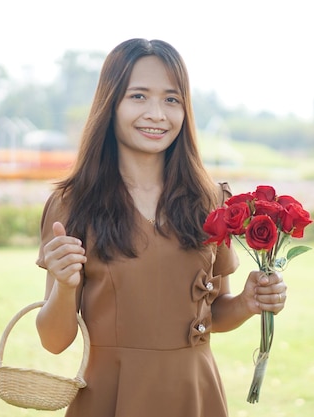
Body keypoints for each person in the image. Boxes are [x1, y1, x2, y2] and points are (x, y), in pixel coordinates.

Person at [35, 38, 288, 417]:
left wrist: (248, 304)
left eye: (172, 99)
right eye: (138, 96)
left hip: (194, 392)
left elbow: (214, 314)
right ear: (111, 103)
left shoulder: (210, 200)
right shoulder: (72, 204)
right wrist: (65, 285)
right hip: (109, 396)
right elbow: (54, 341)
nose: (157, 114)